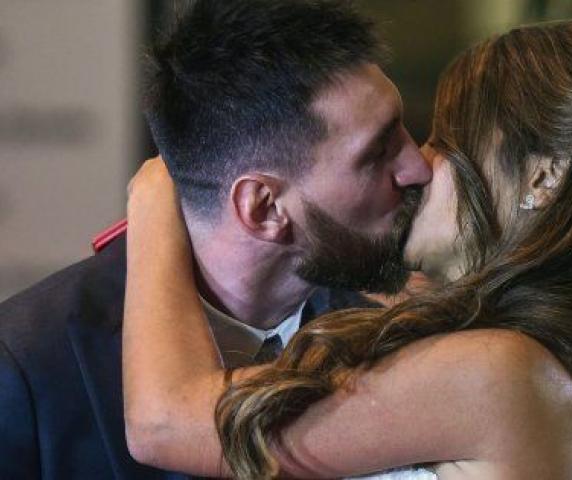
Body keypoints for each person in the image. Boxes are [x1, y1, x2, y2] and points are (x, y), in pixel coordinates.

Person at [123, 20, 572, 480]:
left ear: (542, 178)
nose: (418, 166)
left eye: (446, 140)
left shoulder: (498, 371)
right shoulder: (521, 366)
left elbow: (166, 424)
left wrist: (155, 199)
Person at [0, 1, 431, 478]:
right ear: (263, 208)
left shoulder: (395, 336)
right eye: (377, 153)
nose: (419, 167)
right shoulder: (26, 366)